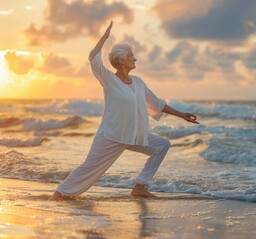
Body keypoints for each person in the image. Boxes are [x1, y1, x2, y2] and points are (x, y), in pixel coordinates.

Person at [49, 21, 199, 200]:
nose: (135, 59)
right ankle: (59, 194)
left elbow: (157, 103)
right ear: (121, 60)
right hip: (111, 135)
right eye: (131, 56)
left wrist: (182, 115)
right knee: (89, 167)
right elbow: (93, 58)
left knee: (162, 145)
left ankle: (140, 186)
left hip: (134, 135)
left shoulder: (138, 83)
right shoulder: (109, 80)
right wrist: (104, 38)